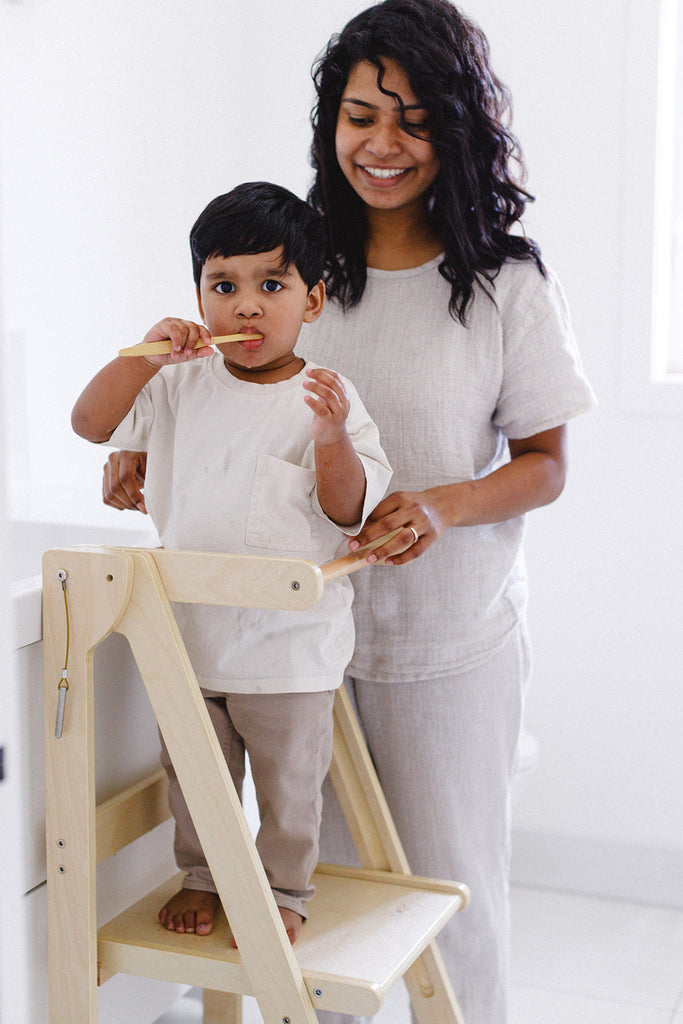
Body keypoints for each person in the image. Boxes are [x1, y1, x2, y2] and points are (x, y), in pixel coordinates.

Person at [100, 2, 596, 1021]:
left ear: (456, 128)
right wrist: (143, 440)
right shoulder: (294, 263)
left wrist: (444, 505)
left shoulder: (503, 279)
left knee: (449, 904)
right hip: (287, 639)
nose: (381, 144)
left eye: (412, 120)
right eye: (359, 114)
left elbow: (546, 464)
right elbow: (226, 376)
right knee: (307, 906)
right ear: (330, 122)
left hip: (446, 638)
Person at [72, 180, 392, 945]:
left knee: (288, 787)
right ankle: (203, 875)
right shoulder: (177, 382)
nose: (245, 306)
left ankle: (285, 884)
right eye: (224, 286)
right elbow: (90, 423)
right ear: (198, 296)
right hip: (189, 640)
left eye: (270, 285)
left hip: (289, 654)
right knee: (196, 777)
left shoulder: (328, 396)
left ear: (311, 302)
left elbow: (348, 510)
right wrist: (144, 352)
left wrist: (331, 439)